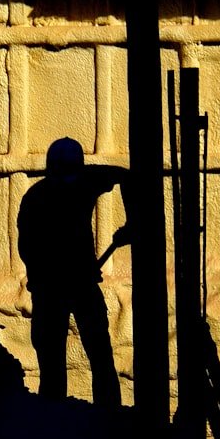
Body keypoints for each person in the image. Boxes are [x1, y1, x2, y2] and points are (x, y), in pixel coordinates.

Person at [17, 137, 130, 409]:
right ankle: (102, 420)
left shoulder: (47, 192)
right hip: (65, 287)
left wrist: (133, 222)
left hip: (62, 288)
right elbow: (28, 249)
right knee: (90, 359)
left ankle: (62, 424)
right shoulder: (80, 185)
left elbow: (27, 248)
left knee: (69, 361)